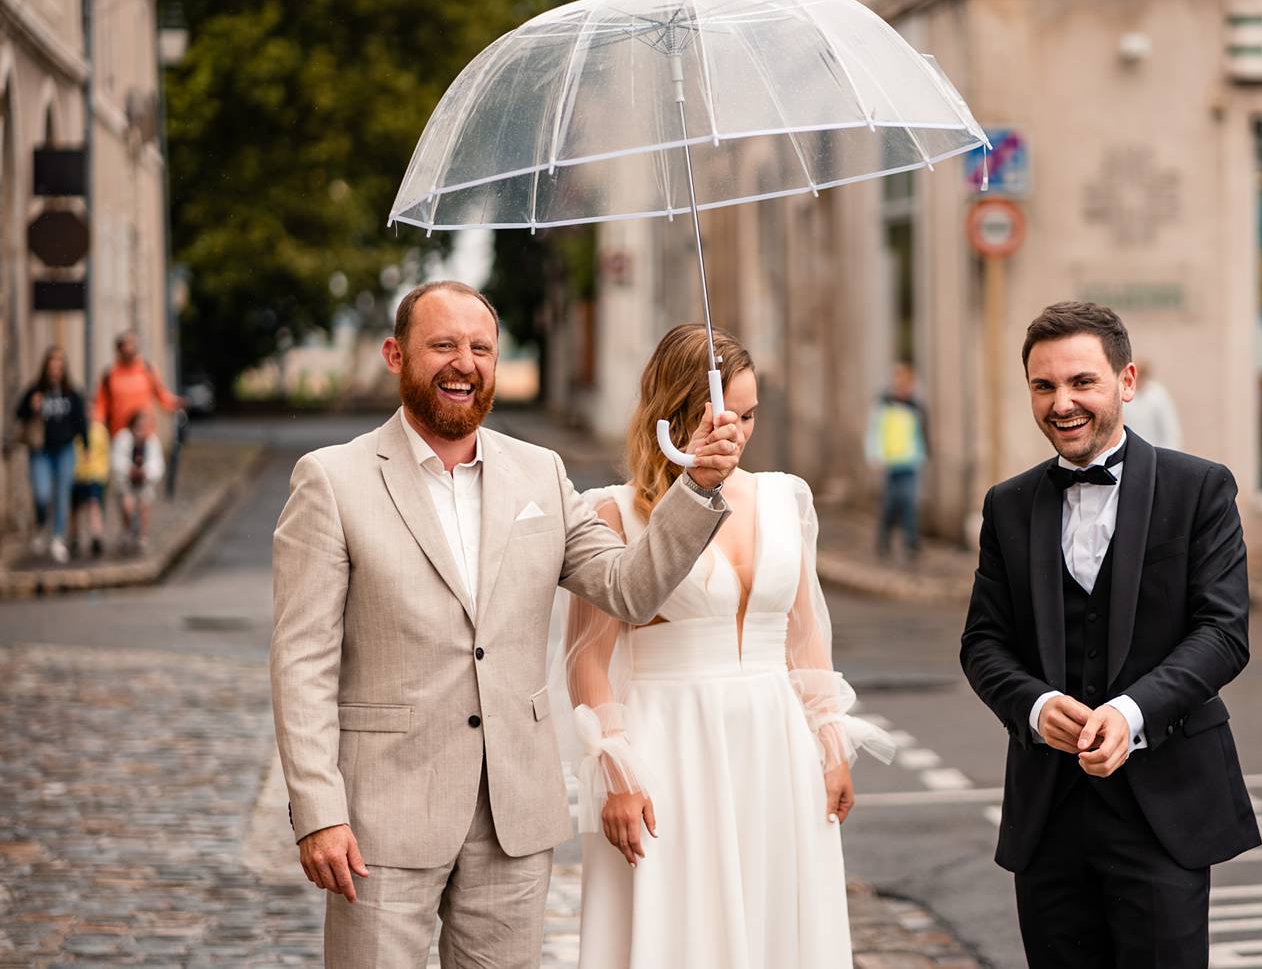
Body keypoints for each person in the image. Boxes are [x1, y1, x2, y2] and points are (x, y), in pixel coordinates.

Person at [269, 281, 744, 969]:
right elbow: (301, 662)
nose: (465, 363)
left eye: (481, 348)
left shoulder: (541, 474)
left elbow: (630, 590)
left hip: (514, 818)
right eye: (443, 346)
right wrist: (319, 810)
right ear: (395, 355)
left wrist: (698, 485)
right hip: (380, 820)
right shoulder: (331, 481)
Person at [555, 323, 893, 969]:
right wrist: (616, 774)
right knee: (684, 933)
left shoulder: (783, 497)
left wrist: (830, 743)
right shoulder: (615, 514)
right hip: (669, 751)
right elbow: (587, 665)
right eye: (724, 416)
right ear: (677, 414)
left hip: (776, 747)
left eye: (749, 416)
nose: (739, 431)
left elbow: (806, 639)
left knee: (779, 926)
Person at [960, 301, 1259, 969]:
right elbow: (983, 643)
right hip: (1050, 811)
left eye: (1081, 382)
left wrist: (1130, 714)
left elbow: (1223, 632)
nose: (1062, 403)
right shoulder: (1007, 506)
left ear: (1125, 382)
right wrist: (1036, 707)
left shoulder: (1200, 489)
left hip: (1163, 809)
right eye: (1044, 386)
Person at [13, 346, 88, 563]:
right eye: (52, 366)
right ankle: (42, 525)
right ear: (45, 367)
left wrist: (86, 444)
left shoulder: (71, 392)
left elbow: (80, 420)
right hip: (41, 450)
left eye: (59, 367)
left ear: (64, 369)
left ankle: (57, 538)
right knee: (42, 494)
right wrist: (31, 407)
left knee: (62, 494)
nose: (55, 371)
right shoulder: (35, 390)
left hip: (65, 449)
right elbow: (19, 413)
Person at [864, 362, 929, 560]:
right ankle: (883, 541)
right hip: (891, 463)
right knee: (891, 504)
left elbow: (921, 433)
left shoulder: (915, 407)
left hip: (909, 462)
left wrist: (922, 453)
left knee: (909, 502)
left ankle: (911, 543)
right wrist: (874, 454)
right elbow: (875, 431)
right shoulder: (883, 405)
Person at [93, 330, 183, 437]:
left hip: (145, 432)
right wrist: (97, 425)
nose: (128, 348)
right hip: (119, 434)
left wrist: (176, 403)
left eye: (131, 344)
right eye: (124, 345)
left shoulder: (147, 370)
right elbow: (101, 405)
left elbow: (161, 395)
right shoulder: (110, 374)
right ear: (118, 349)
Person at [110, 410, 165, 553]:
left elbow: (157, 464)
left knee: (144, 505)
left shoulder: (152, 442)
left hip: (144, 482)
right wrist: (129, 469)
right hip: (126, 481)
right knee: (127, 506)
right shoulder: (123, 438)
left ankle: (142, 536)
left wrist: (146, 472)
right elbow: (116, 459)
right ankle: (127, 531)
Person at [1121, 357, 1184, 451]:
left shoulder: (1157, 396)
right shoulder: (1124, 394)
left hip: (1155, 453)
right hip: (1130, 451)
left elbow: (1169, 430)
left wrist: (1168, 455)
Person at [71, 418, 111, 558]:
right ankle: (74, 539)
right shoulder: (73, 431)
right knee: (74, 510)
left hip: (95, 475)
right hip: (77, 476)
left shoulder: (100, 431)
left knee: (94, 504)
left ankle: (96, 537)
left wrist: (104, 474)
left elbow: (106, 454)